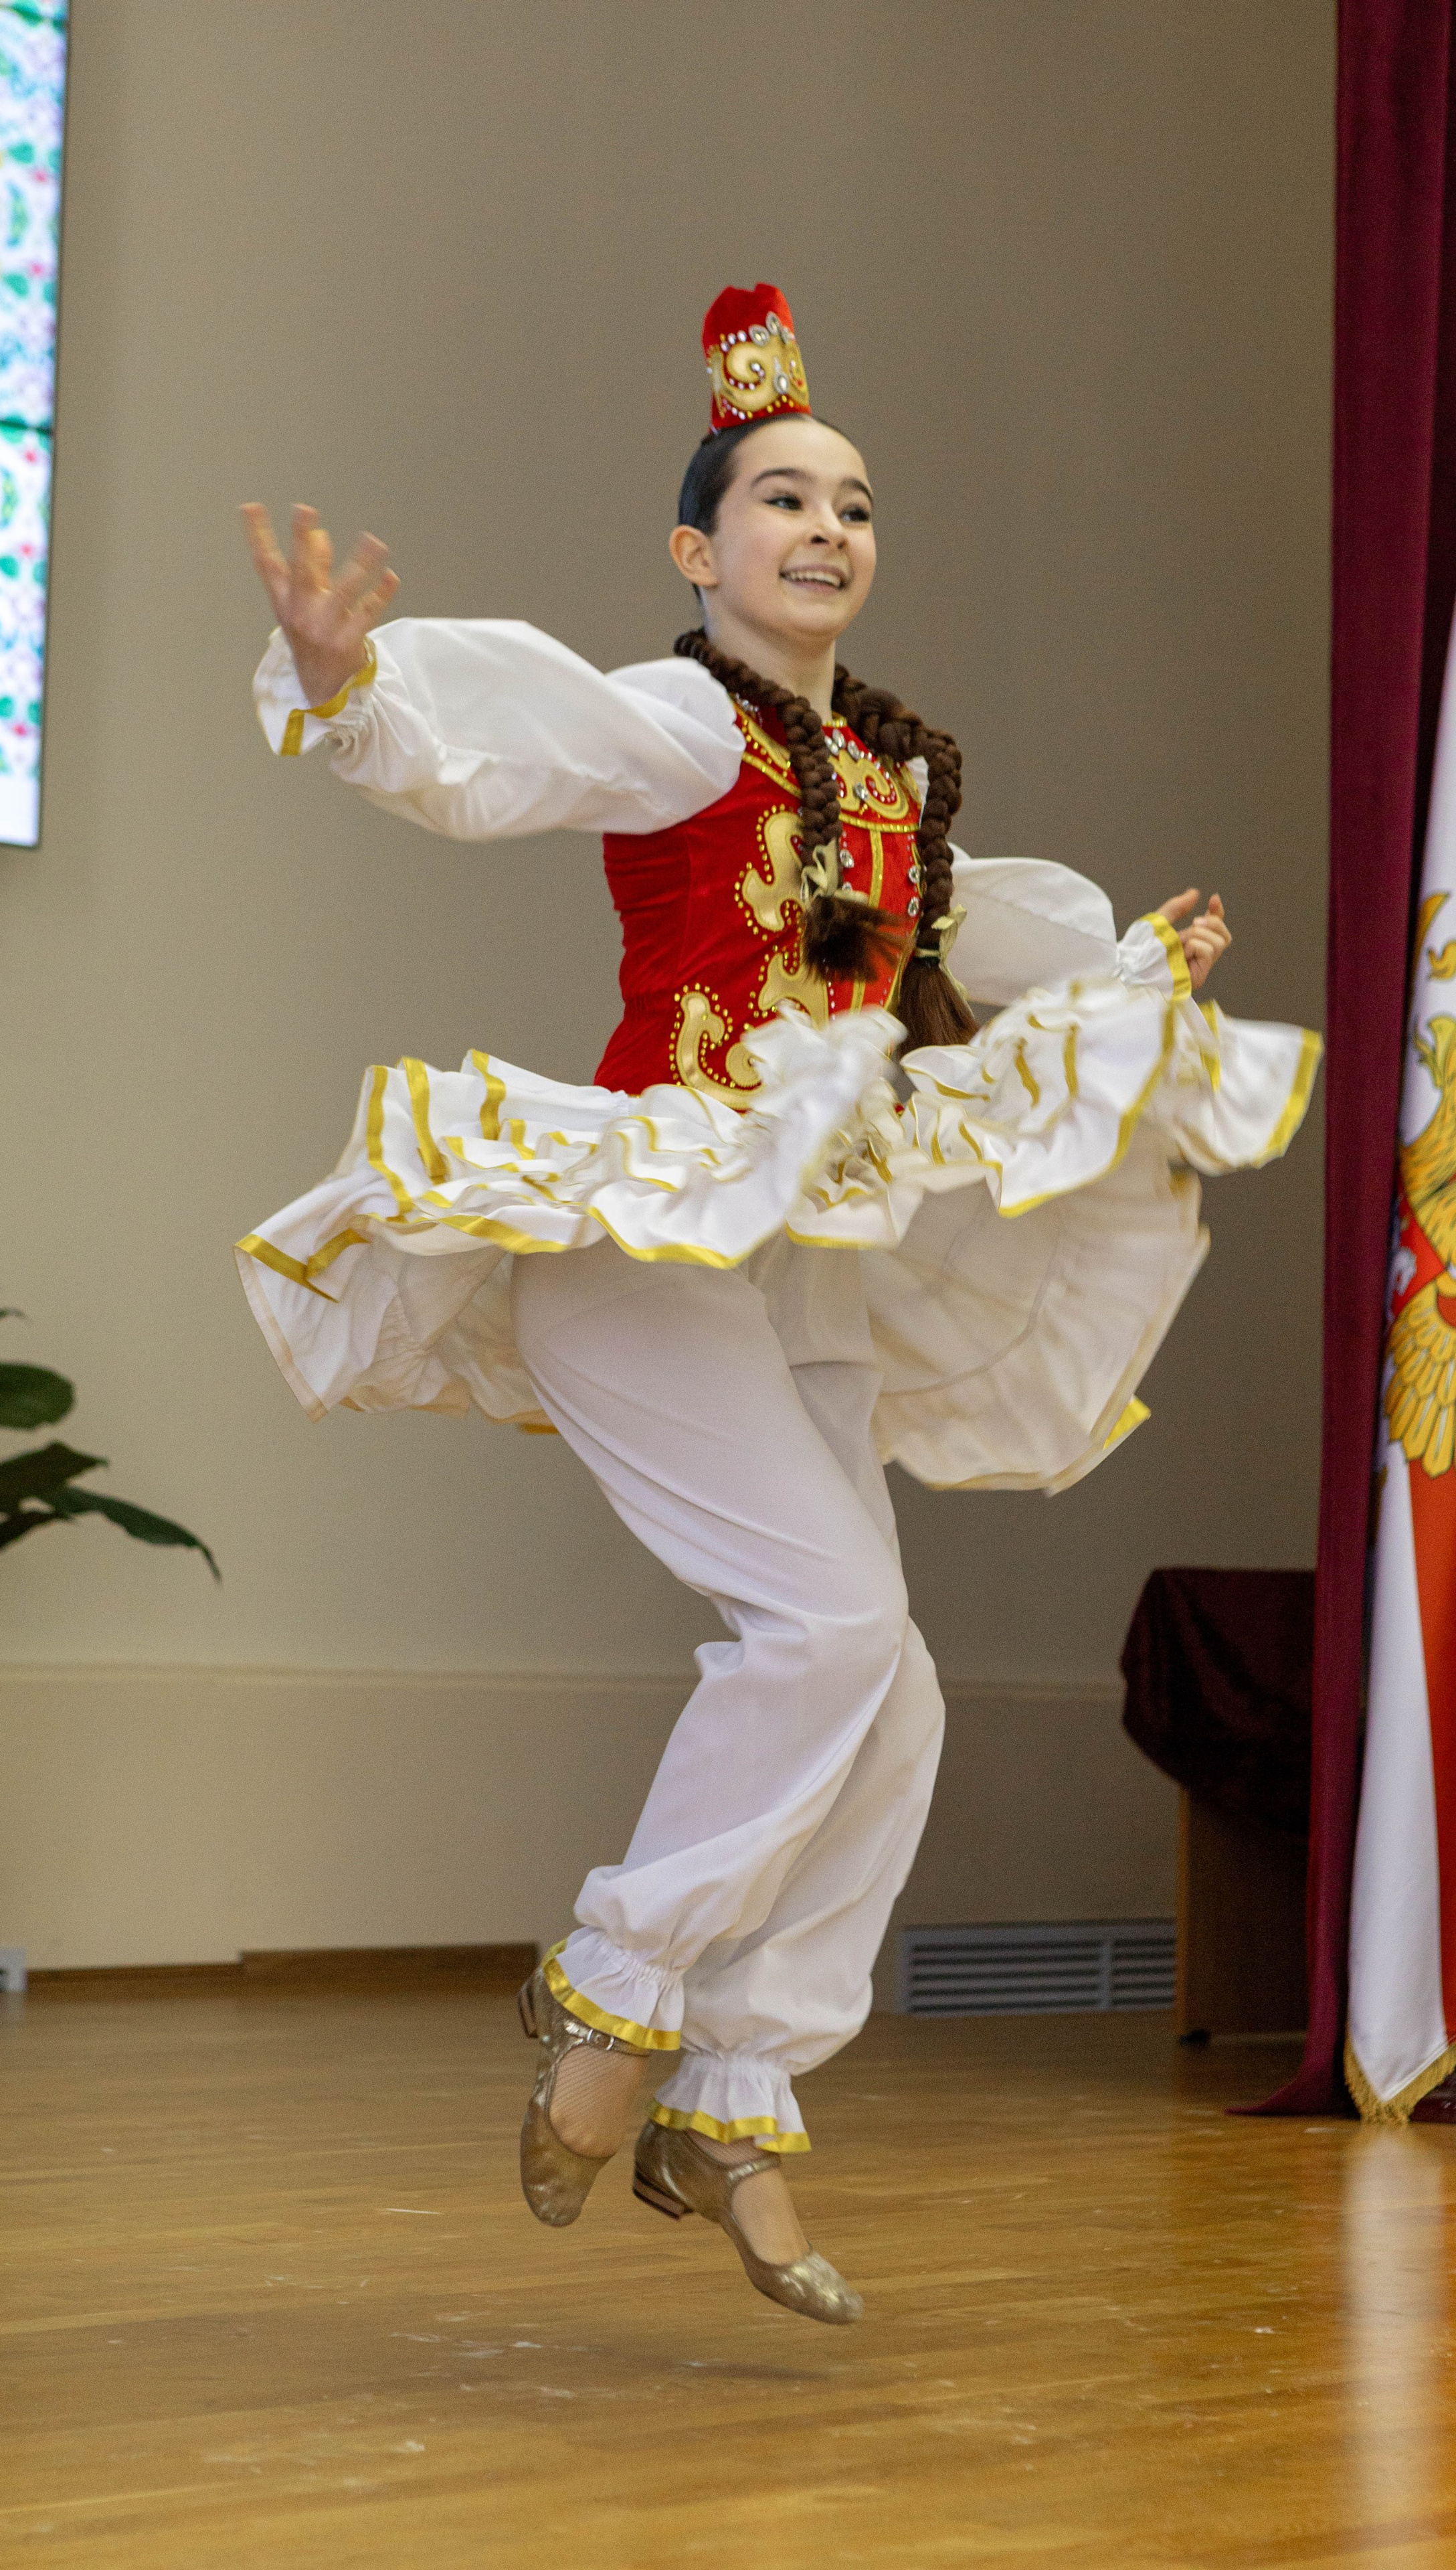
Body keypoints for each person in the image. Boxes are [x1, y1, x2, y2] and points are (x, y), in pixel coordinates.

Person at [236, 284, 1319, 2326]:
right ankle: (617, 1992)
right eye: (781, 497)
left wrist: (1125, 975)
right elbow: (503, 746)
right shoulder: (677, 723)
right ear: (698, 550)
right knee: (826, 1630)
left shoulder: (891, 793)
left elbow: (971, 956)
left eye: (852, 504)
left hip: (793, 1271)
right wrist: (348, 681)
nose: (826, 528)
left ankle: (737, 2086)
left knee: (887, 1687)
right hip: (645, 1249)